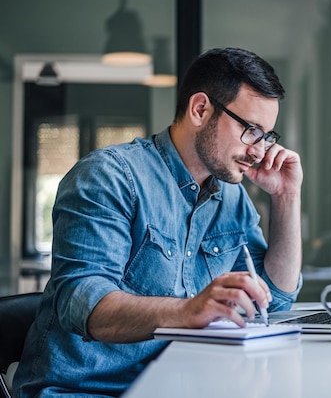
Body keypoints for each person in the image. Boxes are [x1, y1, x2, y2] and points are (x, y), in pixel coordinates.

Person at [14, 47, 303, 397]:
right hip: (86, 391)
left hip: (176, 386)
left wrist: (286, 197)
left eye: (267, 136)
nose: (259, 151)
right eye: (251, 130)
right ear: (200, 109)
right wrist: (189, 310)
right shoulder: (109, 176)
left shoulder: (231, 198)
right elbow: (84, 303)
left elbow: (274, 299)